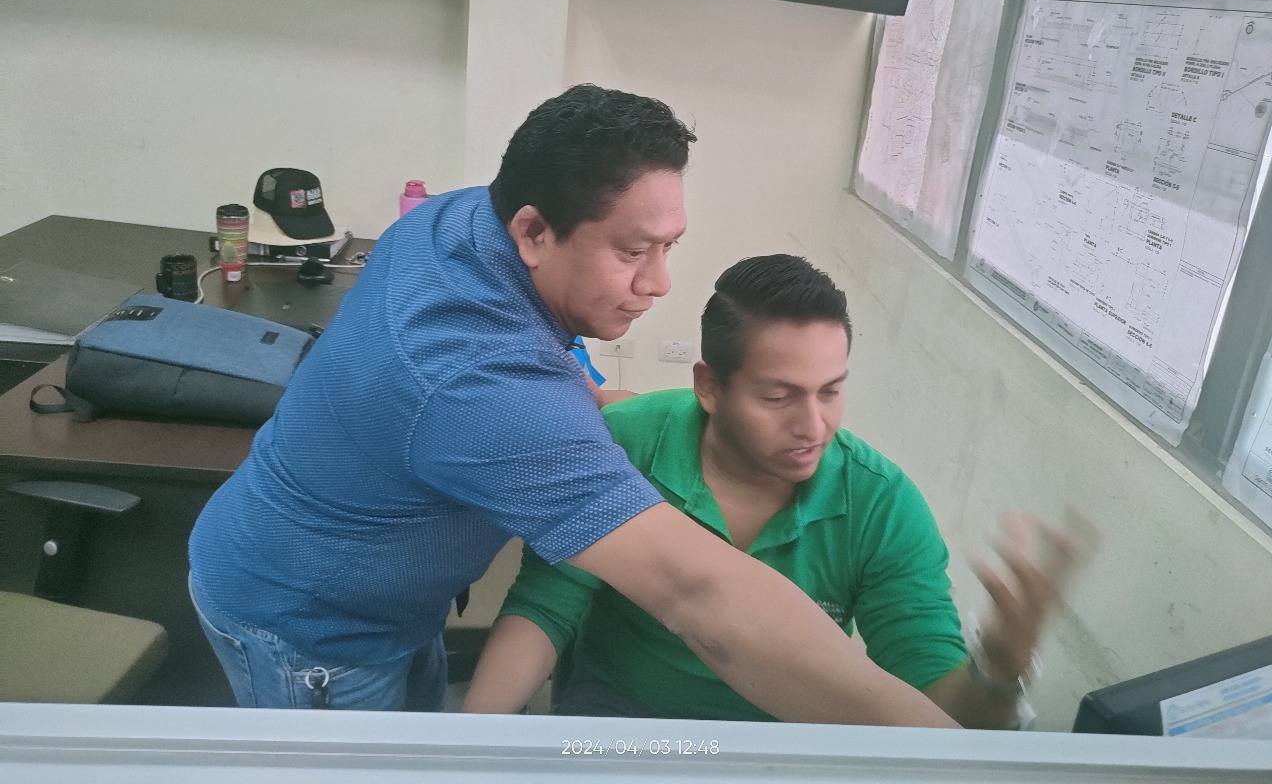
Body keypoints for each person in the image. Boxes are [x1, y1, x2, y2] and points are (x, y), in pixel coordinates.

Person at [186, 85, 956, 726]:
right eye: (632, 251)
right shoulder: (482, 390)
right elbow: (697, 594)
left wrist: (602, 400)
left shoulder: (457, 220)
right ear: (534, 231)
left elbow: (533, 364)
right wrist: (952, 754)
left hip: (373, 585)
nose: (658, 283)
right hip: (311, 628)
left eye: (670, 246)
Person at [464, 255, 1082, 728]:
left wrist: (998, 671)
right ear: (710, 387)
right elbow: (545, 610)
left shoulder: (881, 504)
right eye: (779, 397)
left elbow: (935, 714)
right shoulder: (626, 443)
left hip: (788, 743)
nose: (813, 427)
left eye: (830, 391)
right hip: (625, 728)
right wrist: (468, 745)